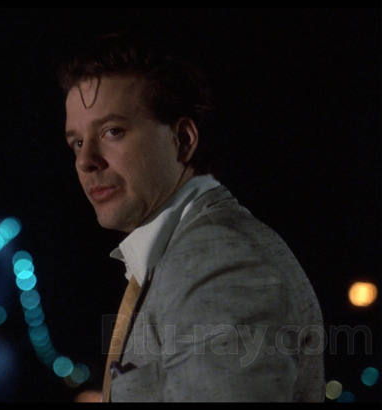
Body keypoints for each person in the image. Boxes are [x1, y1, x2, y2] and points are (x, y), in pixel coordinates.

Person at [57, 31, 326, 402]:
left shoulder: (218, 259)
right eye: (77, 142)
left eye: (112, 131)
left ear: (183, 139)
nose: (86, 161)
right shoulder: (184, 253)